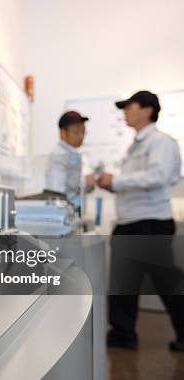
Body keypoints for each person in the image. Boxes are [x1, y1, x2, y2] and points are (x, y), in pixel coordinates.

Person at [96, 90, 184, 351]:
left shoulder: (161, 142)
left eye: (129, 107)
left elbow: (158, 176)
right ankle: (123, 334)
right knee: (123, 281)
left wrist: (118, 180)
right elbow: (135, 182)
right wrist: (110, 184)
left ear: (147, 110)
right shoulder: (135, 145)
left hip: (150, 223)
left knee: (166, 281)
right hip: (129, 222)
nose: (125, 112)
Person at [45, 111, 95, 209]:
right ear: (63, 133)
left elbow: (74, 185)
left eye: (83, 131)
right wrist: (86, 181)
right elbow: (57, 192)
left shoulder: (72, 154)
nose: (81, 136)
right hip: (63, 214)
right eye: (76, 131)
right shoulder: (59, 156)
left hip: (72, 211)